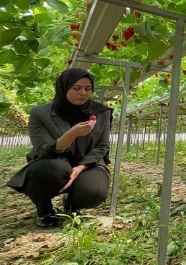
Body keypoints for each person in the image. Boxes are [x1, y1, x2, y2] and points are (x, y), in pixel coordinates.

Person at [7, 68, 113, 228]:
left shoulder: (101, 113)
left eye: (87, 88)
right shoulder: (41, 113)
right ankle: (44, 211)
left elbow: (102, 146)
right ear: (64, 88)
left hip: (87, 163)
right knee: (49, 171)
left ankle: (72, 206)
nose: (83, 93)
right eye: (76, 88)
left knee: (95, 190)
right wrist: (72, 134)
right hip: (54, 161)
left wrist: (81, 167)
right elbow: (44, 149)